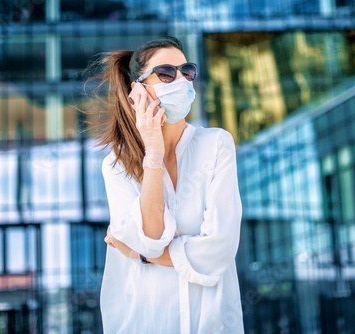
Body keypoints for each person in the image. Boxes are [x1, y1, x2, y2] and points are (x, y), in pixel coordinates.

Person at [92, 36, 244, 333]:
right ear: (138, 89)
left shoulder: (216, 145)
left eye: (187, 71)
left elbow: (221, 249)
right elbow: (152, 236)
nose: (181, 80)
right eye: (166, 72)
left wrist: (141, 256)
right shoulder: (116, 164)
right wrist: (154, 155)